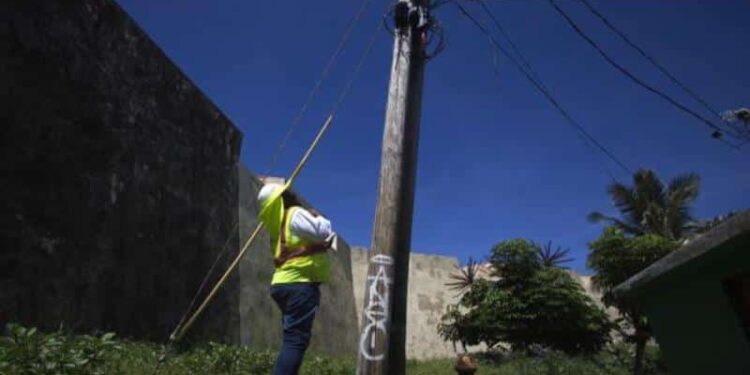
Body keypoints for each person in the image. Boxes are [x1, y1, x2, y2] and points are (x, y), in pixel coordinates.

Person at [257, 182, 336, 375]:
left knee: (292, 338)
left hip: (283, 284)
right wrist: (318, 217)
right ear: (283, 197)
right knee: (295, 341)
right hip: (299, 284)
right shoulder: (294, 214)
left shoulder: (276, 226)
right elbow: (323, 232)